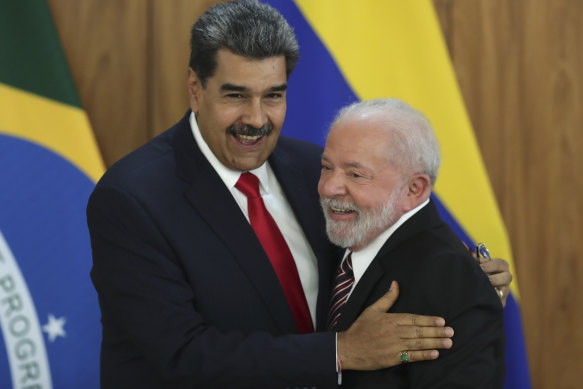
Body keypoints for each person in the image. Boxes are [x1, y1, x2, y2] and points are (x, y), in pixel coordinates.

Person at [87, 1, 510, 388]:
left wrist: (461, 278)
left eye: (273, 95)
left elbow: (401, 223)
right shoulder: (133, 198)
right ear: (196, 89)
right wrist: (340, 351)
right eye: (236, 96)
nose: (256, 119)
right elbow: (182, 354)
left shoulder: (315, 168)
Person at [318, 98, 505, 388]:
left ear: (413, 189)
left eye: (355, 174)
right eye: (326, 167)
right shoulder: (341, 240)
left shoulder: (448, 278)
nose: (329, 187)